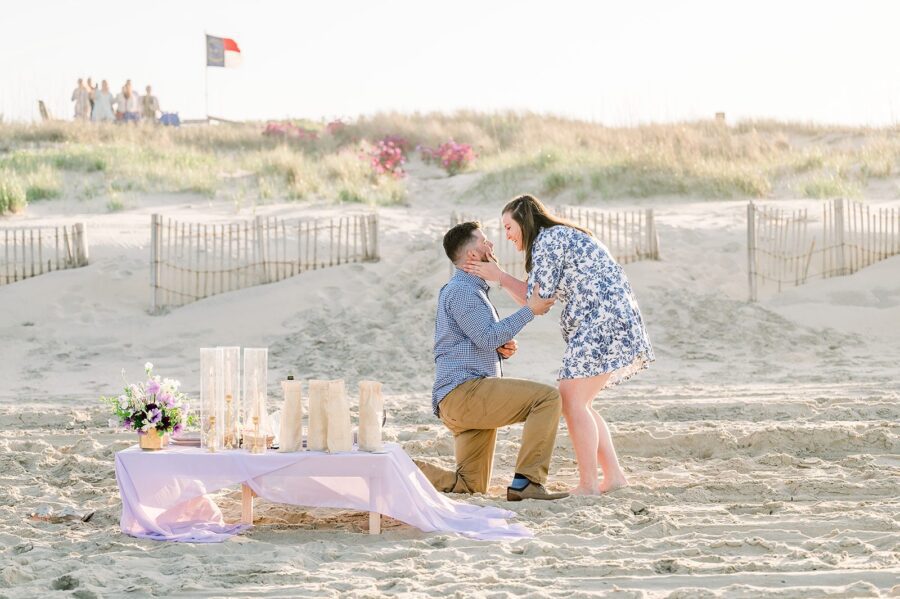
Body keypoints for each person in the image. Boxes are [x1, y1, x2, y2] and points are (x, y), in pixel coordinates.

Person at [463, 195, 654, 495]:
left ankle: (589, 483)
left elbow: (538, 299)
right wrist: (500, 277)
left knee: (571, 400)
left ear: (524, 221)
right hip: (609, 317)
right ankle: (613, 476)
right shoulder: (553, 239)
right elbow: (536, 302)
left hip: (602, 319)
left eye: (509, 227)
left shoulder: (548, 240)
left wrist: (498, 276)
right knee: (579, 402)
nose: (507, 235)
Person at [420, 221, 568, 502]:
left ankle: (402, 470)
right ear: (472, 256)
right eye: (484, 241)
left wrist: (500, 350)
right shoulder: (463, 291)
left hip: (460, 400)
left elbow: (481, 340)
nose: (491, 246)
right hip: (465, 393)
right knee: (547, 399)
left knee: (469, 486)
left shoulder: (468, 291)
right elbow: (487, 337)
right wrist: (530, 310)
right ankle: (528, 482)